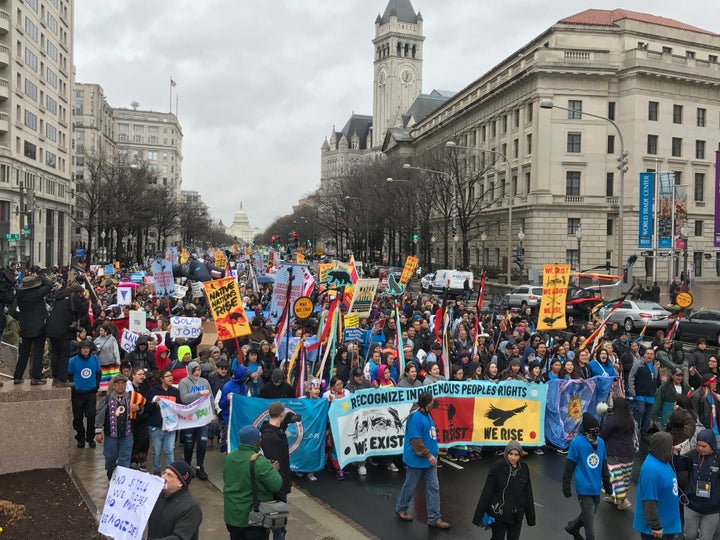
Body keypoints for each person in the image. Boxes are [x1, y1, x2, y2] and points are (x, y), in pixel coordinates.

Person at [394, 391, 450, 529]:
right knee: (410, 486)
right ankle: (401, 507)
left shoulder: (426, 413)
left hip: (428, 459)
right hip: (417, 459)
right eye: (431, 401)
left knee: (433, 487)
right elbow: (416, 441)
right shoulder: (416, 418)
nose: (433, 403)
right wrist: (429, 455)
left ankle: (434, 518)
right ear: (426, 403)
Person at [224, 425, 283, 540]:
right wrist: (274, 470)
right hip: (253, 519)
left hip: (232, 516)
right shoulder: (259, 461)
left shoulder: (229, 458)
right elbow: (276, 485)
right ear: (256, 441)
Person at [562, 413, 613, 540]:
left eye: (597, 431)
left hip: (596, 486)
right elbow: (570, 466)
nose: (595, 434)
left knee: (588, 514)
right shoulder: (576, 443)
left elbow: (604, 465)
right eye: (592, 431)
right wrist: (566, 485)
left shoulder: (601, 443)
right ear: (585, 431)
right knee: (590, 525)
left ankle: (572, 527)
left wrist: (608, 485)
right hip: (583, 487)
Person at [472, 440, 535, 539]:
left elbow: (528, 493)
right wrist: (479, 516)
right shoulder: (498, 466)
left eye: (516, 454)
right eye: (510, 454)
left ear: (520, 455)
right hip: (500, 514)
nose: (513, 457)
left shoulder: (524, 468)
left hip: (516, 515)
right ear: (506, 453)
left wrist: (531, 518)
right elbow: (487, 491)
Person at [632, 432, 682, 540]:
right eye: (671, 445)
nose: (673, 447)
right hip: (657, 531)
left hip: (667, 525)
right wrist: (655, 525)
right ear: (664, 447)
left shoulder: (662, 460)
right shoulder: (650, 470)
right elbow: (649, 500)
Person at [674, 429, 720, 540]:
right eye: (698, 445)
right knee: (689, 536)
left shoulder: (718, 459)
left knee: (706, 538)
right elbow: (678, 466)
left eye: (704, 446)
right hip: (692, 505)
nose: (700, 448)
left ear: (712, 446)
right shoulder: (693, 454)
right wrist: (676, 455)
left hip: (712, 509)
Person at [95, 374, 140, 479]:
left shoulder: (131, 398)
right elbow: (100, 415)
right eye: (118, 383)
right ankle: (111, 474)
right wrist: (98, 432)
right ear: (113, 386)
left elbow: (143, 409)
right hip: (111, 435)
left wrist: (138, 408)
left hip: (127, 434)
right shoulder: (106, 399)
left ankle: (122, 480)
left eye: (123, 383)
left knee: (125, 458)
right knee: (110, 457)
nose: (121, 386)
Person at [260, 402, 294, 540]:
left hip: (274, 485)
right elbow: (276, 466)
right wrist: (281, 489)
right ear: (281, 414)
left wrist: (284, 425)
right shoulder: (272, 438)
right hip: (276, 487)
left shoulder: (268, 432)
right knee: (278, 524)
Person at [13, 273, 53, 385]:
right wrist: (40, 276)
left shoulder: (20, 295)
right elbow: (49, 285)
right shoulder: (37, 293)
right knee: (38, 353)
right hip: (39, 327)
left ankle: (17, 376)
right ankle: (35, 377)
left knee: (24, 353)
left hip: (25, 327)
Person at [147, 460, 203, 540]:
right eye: (164, 473)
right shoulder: (157, 496)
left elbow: (179, 537)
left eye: (169, 475)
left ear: (180, 483)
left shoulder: (191, 508)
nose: (163, 477)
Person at [46, 282, 88, 386]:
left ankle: (55, 377)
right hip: (63, 330)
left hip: (51, 329)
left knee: (55, 353)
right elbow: (83, 309)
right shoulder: (73, 296)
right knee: (64, 354)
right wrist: (85, 299)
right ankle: (62, 379)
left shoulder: (60, 295)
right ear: (78, 293)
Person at [178, 360, 213, 481]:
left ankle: (200, 467)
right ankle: (187, 466)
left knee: (202, 443)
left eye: (198, 370)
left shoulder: (205, 381)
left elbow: (211, 397)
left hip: (202, 417)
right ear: (189, 371)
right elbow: (184, 398)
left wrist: (212, 413)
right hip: (190, 418)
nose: (197, 372)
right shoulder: (184, 382)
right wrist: (199, 393)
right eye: (194, 370)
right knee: (189, 443)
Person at [598, 397, 635, 509]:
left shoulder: (612, 419)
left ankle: (623, 500)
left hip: (614, 452)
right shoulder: (630, 419)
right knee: (623, 477)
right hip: (628, 452)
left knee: (613, 478)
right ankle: (614, 497)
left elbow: (604, 433)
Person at [146, 368, 182, 475]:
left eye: (171, 375)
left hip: (170, 426)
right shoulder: (153, 391)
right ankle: (156, 471)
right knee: (156, 451)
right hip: (157, 426)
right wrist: (153, 403)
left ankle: (169, 472)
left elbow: (180, 407)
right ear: (161, 379)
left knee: (170, 450)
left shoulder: (175, 391)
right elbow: (147, 408)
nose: (171, 377)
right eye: (167, 376)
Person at [67, 339, 101, 448]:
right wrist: (74, 387)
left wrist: (96, 385)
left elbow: (98, 373)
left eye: (88, 348)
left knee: (91, 416)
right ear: (80, 349)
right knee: (78, 418)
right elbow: (69, 375)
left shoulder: (94, 359)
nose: (86, 350)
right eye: (84, 348)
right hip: (77, 393)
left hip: (90, 393)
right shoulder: (73, 360)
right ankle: (80, 438)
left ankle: (90, 438)